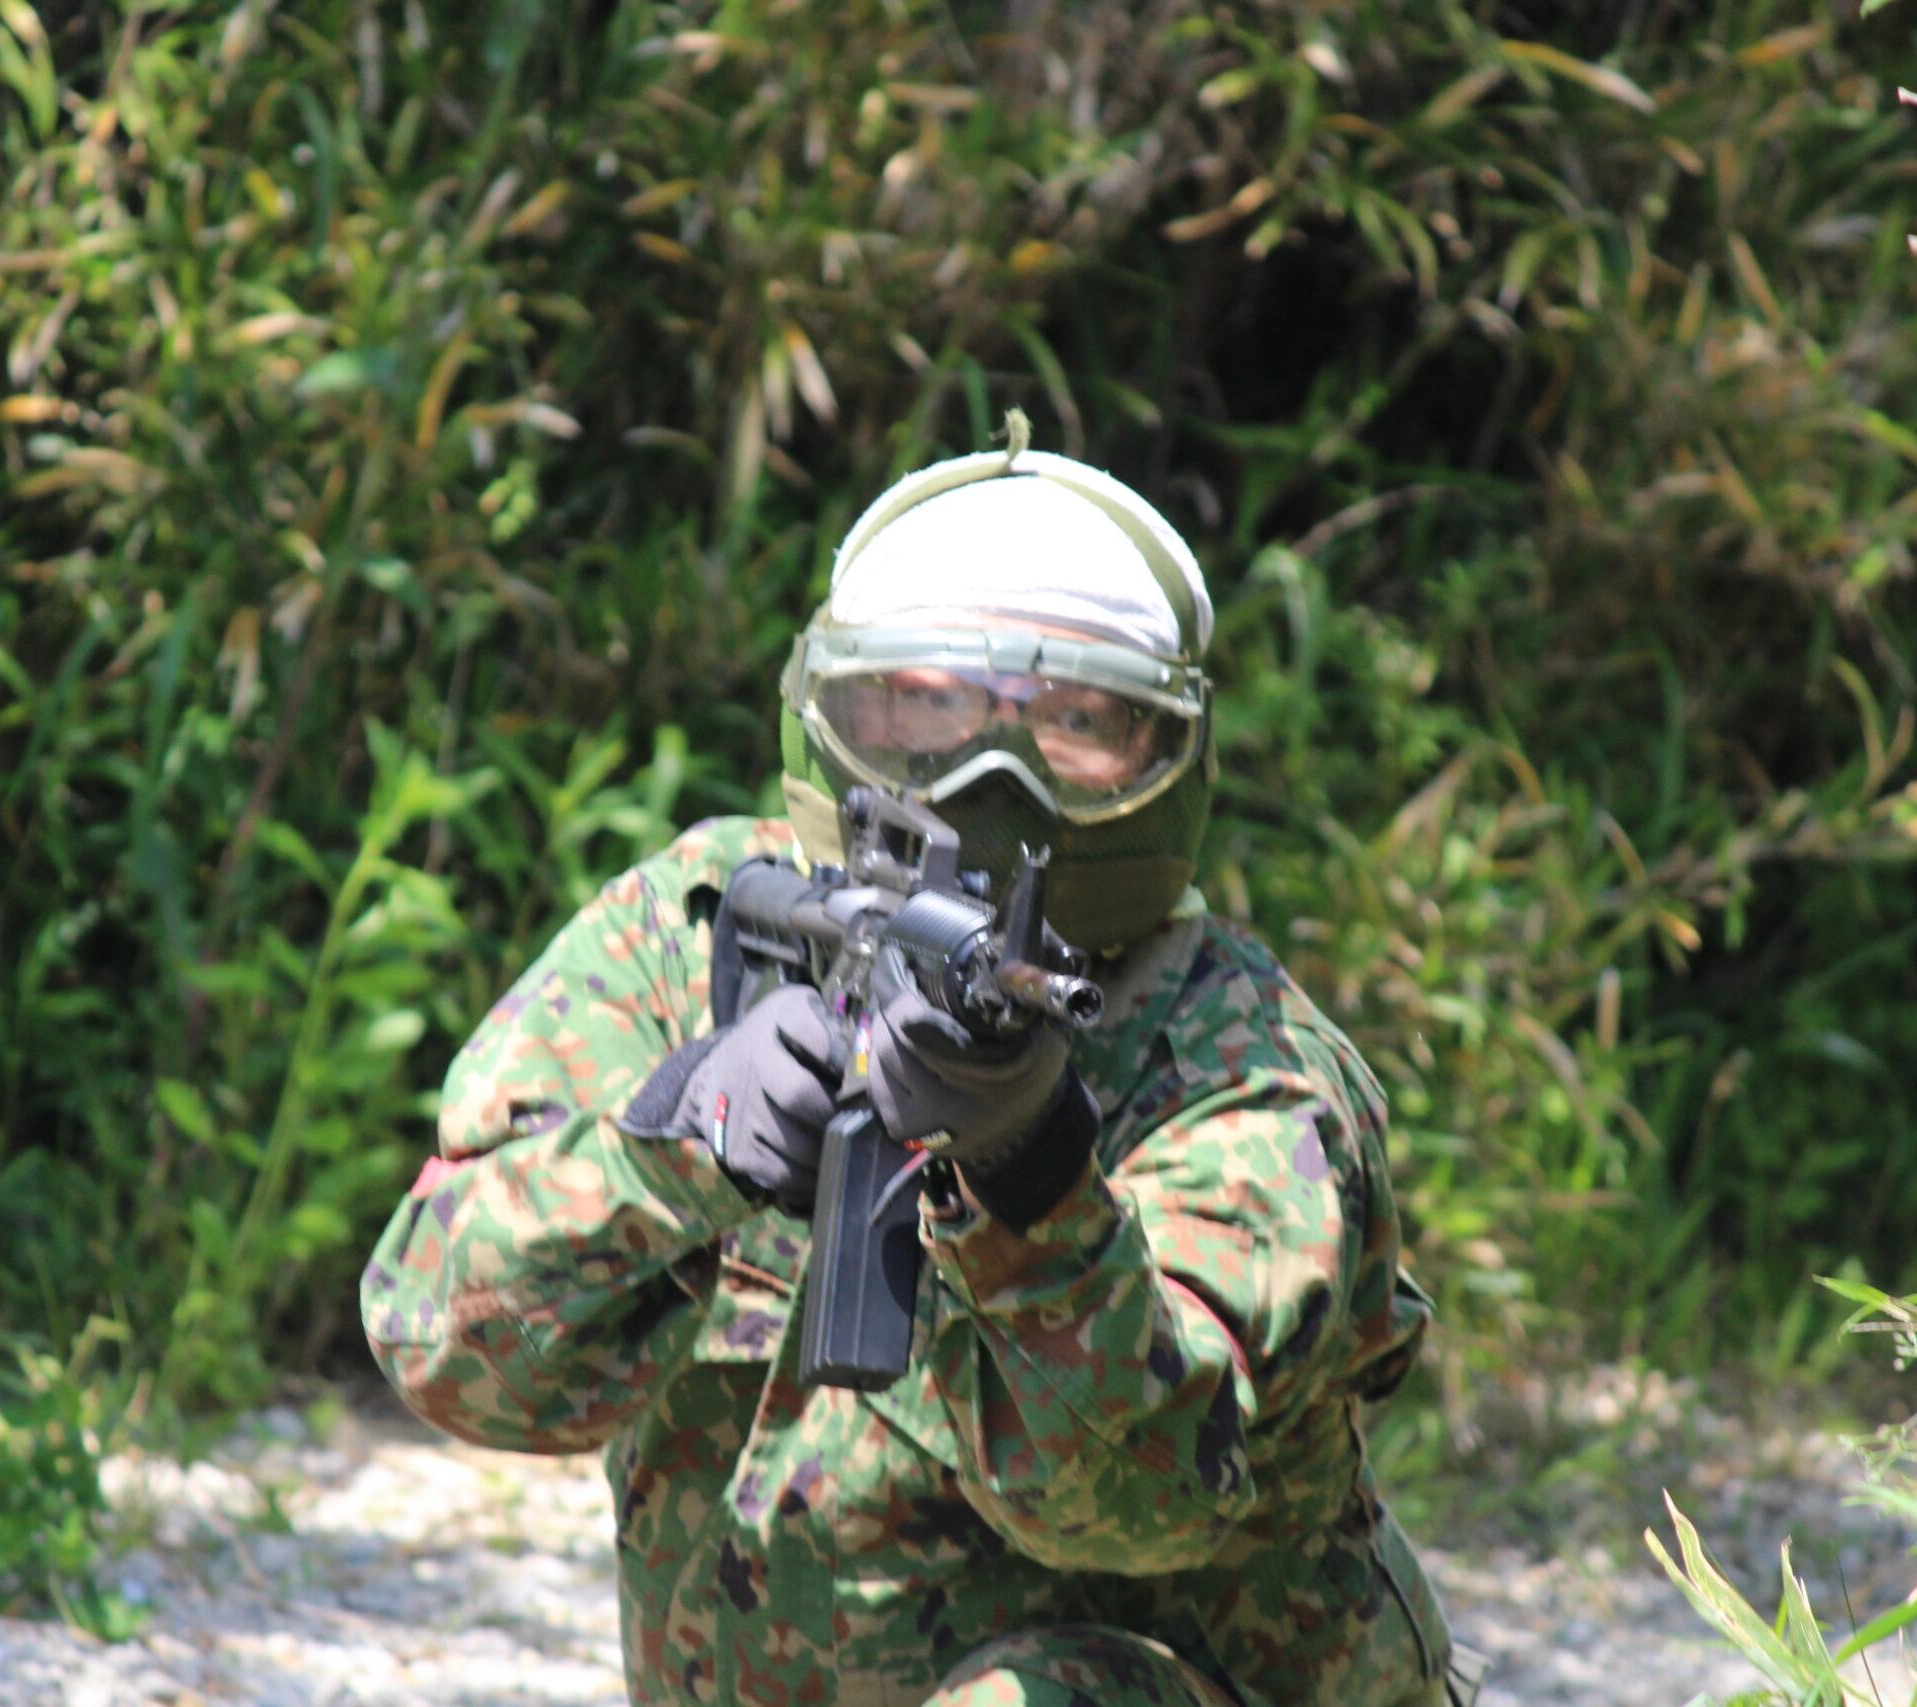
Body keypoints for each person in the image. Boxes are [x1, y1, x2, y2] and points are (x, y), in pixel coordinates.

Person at [361, 441, 1478, 1707]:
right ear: (835, 711)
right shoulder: (698, 925)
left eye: (1075, 724)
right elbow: (437, 1344)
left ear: (1167, 756)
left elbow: (1136, 1505)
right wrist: (674, 1145)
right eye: (929, 705)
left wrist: (1032, 1176)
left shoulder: (1246, 1069)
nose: (992, 776)